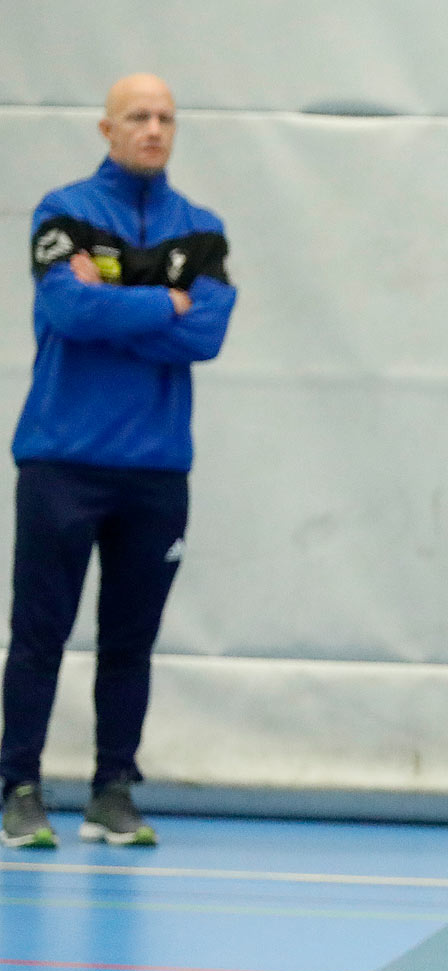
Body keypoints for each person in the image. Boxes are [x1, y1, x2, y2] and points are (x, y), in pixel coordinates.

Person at [0, 75, 236, 852]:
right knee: (38, 635)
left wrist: (119, 304)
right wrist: (161, 302)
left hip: (157, 472)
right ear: (106, 127)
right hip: (61, 464)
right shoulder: (63, 213)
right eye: (138, 116)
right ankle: (21, 791)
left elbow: (204, 335)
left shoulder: (202, 232)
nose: (153, 128)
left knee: (128, 641)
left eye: (166, 116)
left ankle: (112, 792)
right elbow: (69, 309)